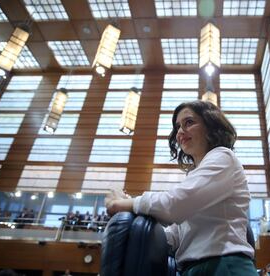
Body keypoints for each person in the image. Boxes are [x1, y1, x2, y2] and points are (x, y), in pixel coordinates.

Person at [105, 100, 258, 275]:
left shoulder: (223, 157)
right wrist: (132, 209)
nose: (180, 131)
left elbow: (175, 205)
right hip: (192, 269)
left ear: (211, 126)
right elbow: (175, 237)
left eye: (189, 122)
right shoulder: (193, 175)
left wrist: (123, 203)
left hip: (225, 266)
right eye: (178, 126)